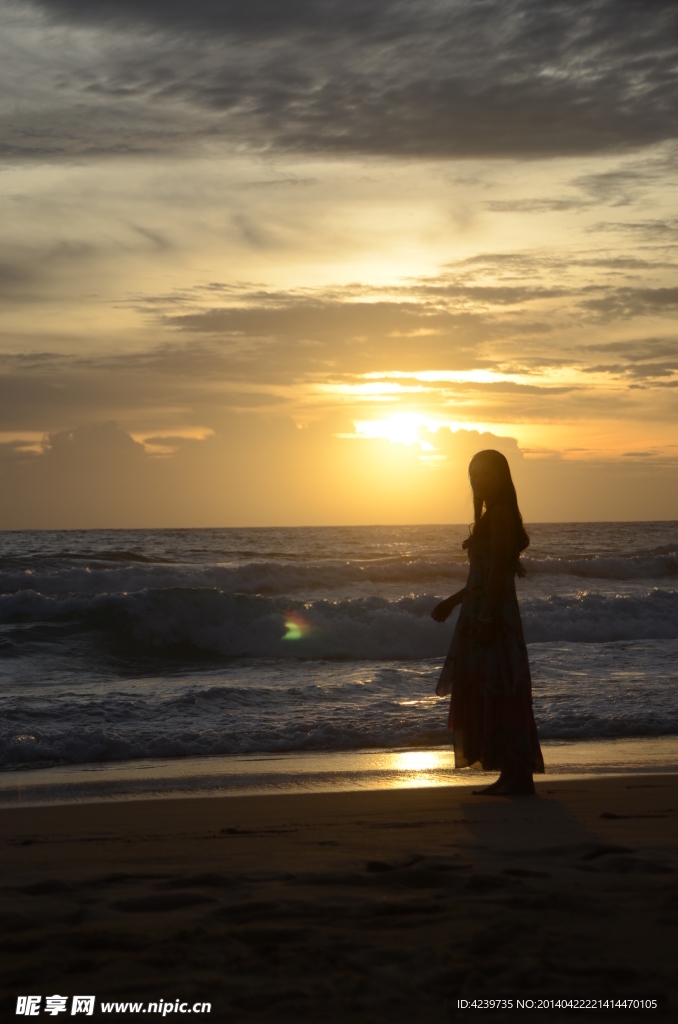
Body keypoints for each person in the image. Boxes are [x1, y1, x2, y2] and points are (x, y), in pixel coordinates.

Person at [431, 449, 544, 795]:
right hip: (486, 609)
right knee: (494, 687)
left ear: (502, 476)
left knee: (501, 686)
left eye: (486, 473)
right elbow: (481, 577)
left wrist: (485, 617)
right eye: (474, 474)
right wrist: (453, 602)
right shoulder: (494, 514)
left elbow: (497, 573)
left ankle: (518, 775)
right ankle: (511, 774)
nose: (479, 480)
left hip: (494, 615)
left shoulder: (499, 513)